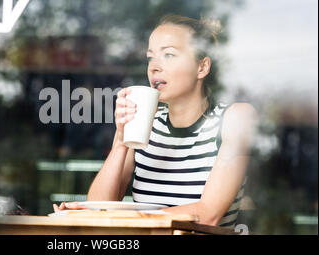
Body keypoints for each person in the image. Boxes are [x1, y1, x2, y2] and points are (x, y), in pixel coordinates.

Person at [53, 14, 257, 228]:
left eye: (168, 55)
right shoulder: (144, 124)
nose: (154, 67)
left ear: (202, 67)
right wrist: (121, 141)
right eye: (150, 57)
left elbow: (208, 214)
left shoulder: (236, 118)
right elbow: (99, 208)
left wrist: (127, 218)